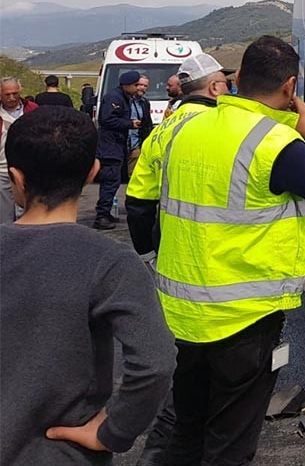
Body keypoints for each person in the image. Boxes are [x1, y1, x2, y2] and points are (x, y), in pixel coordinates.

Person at [132, 35, 305, 465]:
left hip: (181, 311)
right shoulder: (274, 143)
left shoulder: (184, 127)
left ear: (237, 80)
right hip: (244, 319)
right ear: (290, 87)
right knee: (229, 441)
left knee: (186, 425)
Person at [0, 107, 176, 465]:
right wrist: (114, 431)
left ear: (16, 178)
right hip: (62, 454)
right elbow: (155, 362)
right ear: (93, 171)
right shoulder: (110, 261)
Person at [125, 53, 231, 466]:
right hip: (222, 267)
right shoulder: (224, 128)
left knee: (184, 371)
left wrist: (146, 251)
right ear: (214, 88)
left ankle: (162, 453)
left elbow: (137, 203)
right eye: (224, 81)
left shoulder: (163, 131)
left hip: (172, 263)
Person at [95, 71, 141, 230]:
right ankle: (101, 215)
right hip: (110, 147)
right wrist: (129, 123)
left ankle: (105, 212)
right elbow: (106, 120)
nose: (137, 89)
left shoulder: (124, 98)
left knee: (113, 182)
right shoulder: (114, 98)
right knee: (110, 181)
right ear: (126, 85)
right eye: (135, 85)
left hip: (116, 146)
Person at [1, 77, 38, 223]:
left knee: (29, 214)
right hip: (2, 170)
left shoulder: (32, 110)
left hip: (28, 169)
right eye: (7, 94)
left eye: (15, 93)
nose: (11, 98)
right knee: (3, 217)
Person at [126, 75, 154, 181]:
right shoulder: (125, 100)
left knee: (133, 175)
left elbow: (147, 124)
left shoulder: (145, 103)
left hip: (136, 143)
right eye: (139, 85)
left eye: (145, 86)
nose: (142, 88)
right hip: (121, 141)